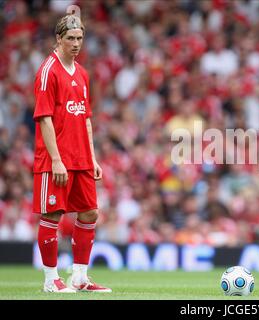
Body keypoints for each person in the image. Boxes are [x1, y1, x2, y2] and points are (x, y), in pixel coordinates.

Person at [32, 12, 111, 293]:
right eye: (70, 38)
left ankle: (79, 277)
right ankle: (50, 279)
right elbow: (44, 118)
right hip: (56, 160)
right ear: (58, 39)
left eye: (79, 38)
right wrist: (56, 160)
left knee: (89, 214)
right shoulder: (48, 71)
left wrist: (93, 157)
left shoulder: (82, 73)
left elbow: (86, 118)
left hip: (81, 158)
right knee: (52, 215)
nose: (76, 44)